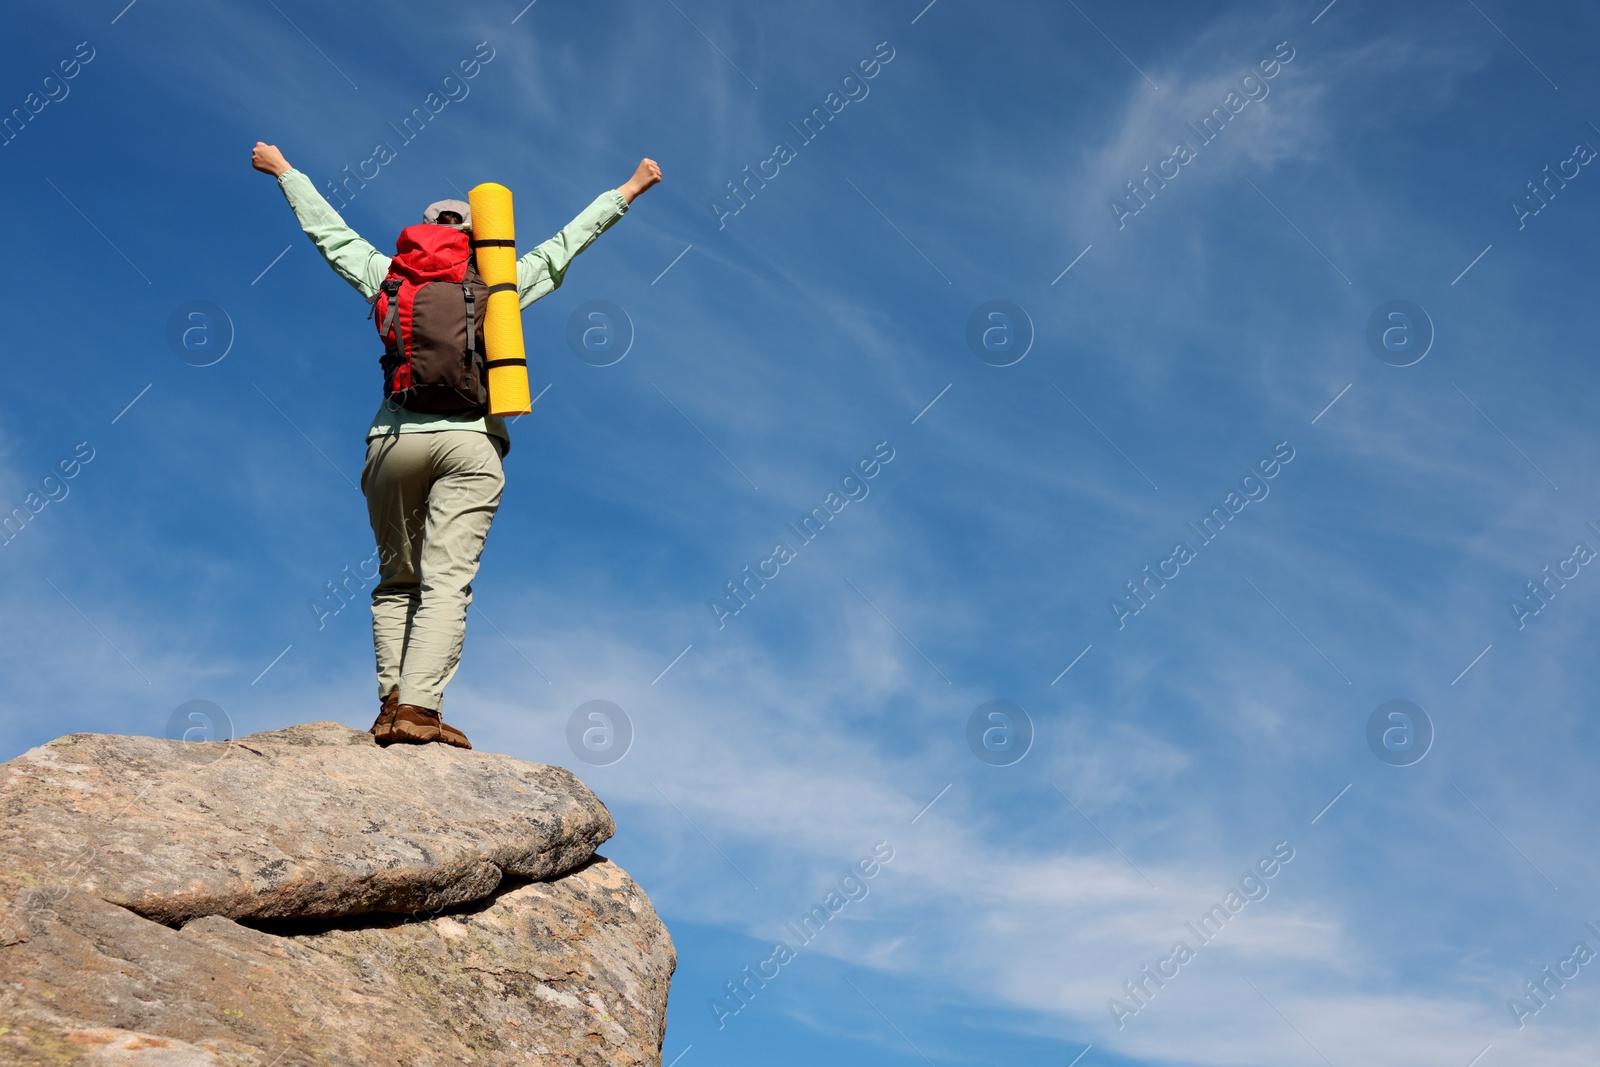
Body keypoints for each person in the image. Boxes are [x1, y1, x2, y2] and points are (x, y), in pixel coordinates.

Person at [251, 141, 661, 750]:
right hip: (470, 443)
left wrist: (285, 172)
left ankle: (391, 705)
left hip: (390, 444)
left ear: (424, 232)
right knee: (446, 582)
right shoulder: (499, 285)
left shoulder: (388, 276)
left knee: (397, 579)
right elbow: (565, 245)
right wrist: (628, 190)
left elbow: (329, 235)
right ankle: (419, 711)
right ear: (476, 235)